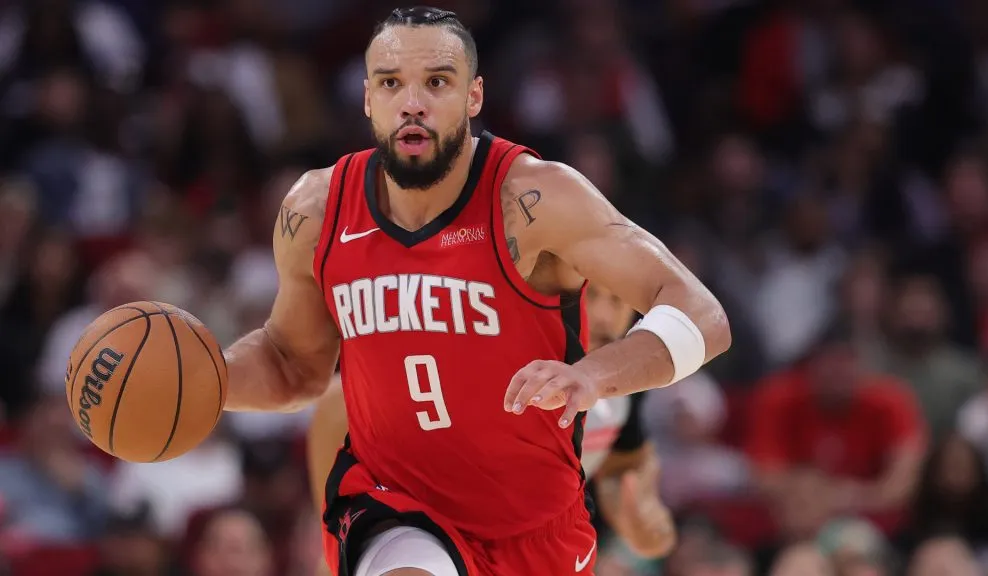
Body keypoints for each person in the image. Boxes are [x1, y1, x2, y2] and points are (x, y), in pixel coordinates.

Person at [222, 7, 731, 576]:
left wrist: (591, 374)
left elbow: (703, 314)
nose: (412, 102)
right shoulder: (318, 211)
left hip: (537, 531)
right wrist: (206, 379)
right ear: (368, 98)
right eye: (391, 83)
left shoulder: (535, 198)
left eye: (437, 82)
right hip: (394, 504)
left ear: (474, 96)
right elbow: (293, 364)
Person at [306, 283, 677, 576]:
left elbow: (629, 480)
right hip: (431, 538)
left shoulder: (622, 390)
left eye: (618, 299)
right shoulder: (492, 360)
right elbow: (336, 547)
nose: (603, 315)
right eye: (591, 293)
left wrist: (646, 525)